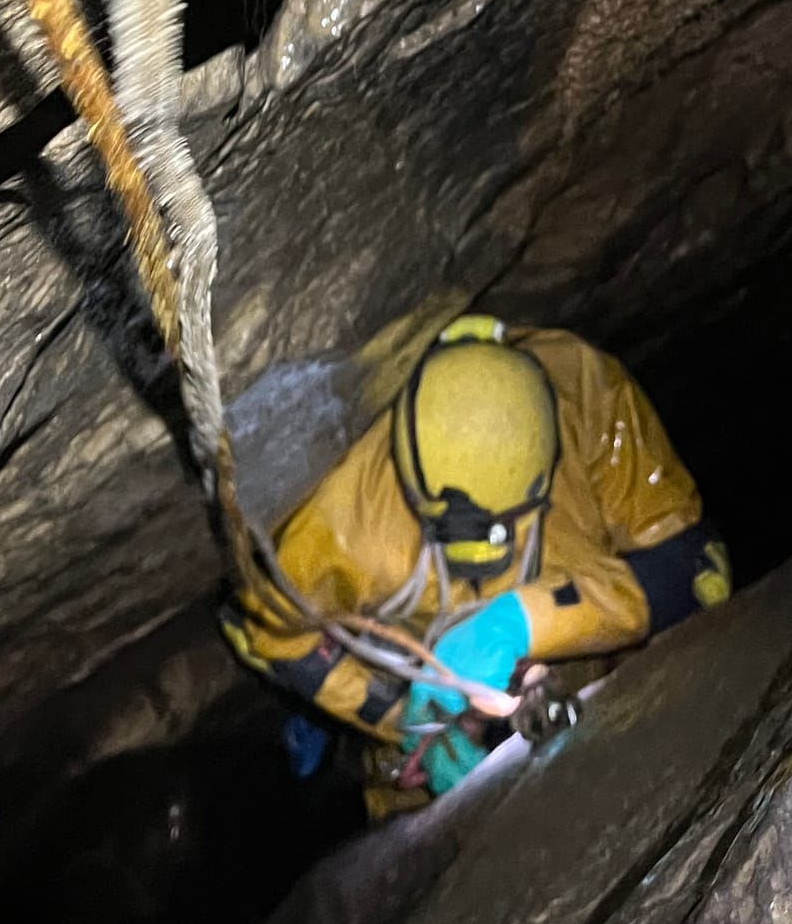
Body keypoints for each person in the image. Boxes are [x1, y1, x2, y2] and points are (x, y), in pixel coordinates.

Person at [224, 316, 731, 815]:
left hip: (579, 680)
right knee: (399, 783)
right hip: (415, 689)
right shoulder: (343, 515)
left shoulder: (587, 398)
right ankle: (342, 756)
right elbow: (270, 631)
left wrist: (525, 620)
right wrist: (402, 720)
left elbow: (696, 571)